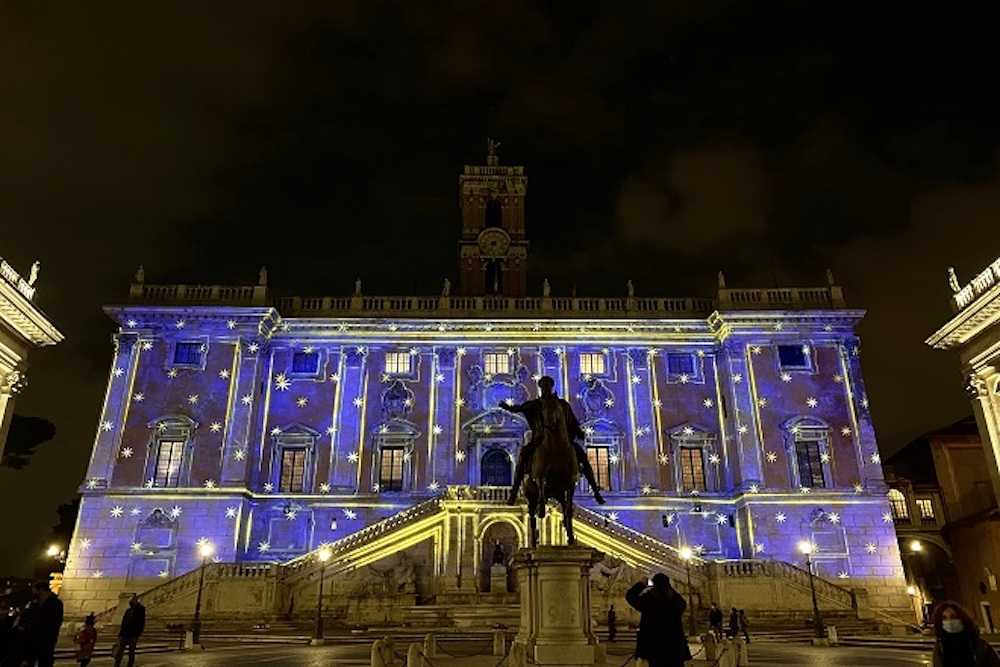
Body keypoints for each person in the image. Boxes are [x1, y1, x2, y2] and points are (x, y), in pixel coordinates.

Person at [501, 376, 606, 505]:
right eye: (543, 386)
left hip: (563, 438)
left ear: (551, 387)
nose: (545, 389)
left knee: (583, 457)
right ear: (540, 388)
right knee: (523, 456)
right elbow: (519, 408)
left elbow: (572, 420)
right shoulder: (536, 404)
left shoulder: (562, 404)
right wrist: (507, 407)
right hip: (540, 439)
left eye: (547, 386)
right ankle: (513, 493)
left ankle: (595, 491)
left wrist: (579, 432)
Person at [625, 574, 691, 667]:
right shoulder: (675, 600)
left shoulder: (649, 600)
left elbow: (630, 596)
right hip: (674, 646)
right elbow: (683, 604)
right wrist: (669, 588)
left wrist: (641, 584)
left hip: (654, 646)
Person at [930, 601, 1000, 666]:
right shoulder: (939, 648)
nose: (949, 621)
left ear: (962, 619)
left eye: (953, 616)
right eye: (944, 618)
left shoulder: (981, 645)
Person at [27, 581, 63, 667]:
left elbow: (55, 622)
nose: (33, 592)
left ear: (42, 590)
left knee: (45, 662)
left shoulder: (56, 603)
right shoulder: (34, 603)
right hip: (32, 639)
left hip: (46, 639)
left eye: (34, 590)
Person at [114, 595, 146, 667]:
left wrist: (138, 634)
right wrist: (120, 634)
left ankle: (129, 665)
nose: (130, 603)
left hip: (133, 635)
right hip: (124, 634)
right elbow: (123, 622)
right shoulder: (128, 611)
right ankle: (116, 665)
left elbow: (142, 622)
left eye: (131, 601)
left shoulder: (140, 609)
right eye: (130, 601)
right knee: (120, 651)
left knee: (131, 652)